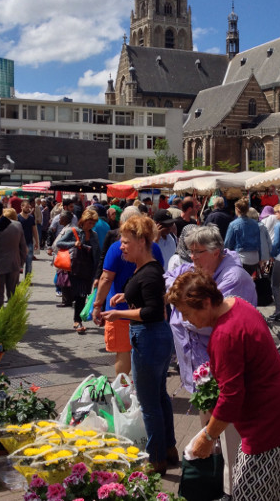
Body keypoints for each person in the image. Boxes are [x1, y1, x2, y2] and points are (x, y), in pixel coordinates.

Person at [167, 270, 280, 501]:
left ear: (206, 302)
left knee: (249, 495)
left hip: (269, 424)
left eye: (187, 312)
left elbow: (231, 397)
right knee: (260, 492)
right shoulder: (237, 303)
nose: (185, 320)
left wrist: (208, 437)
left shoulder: (224, 335)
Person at [165, 225, 257, 501]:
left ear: (217, 252)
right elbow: (171, 279)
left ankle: (232, 488)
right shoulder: (199, 271)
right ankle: (220, 481)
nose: (192, 258)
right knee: (212, 428)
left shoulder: (234, 277)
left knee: (226, 431)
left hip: (221, 369)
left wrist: (181, 314)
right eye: (190, 252)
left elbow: (208, 320)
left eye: (198, 252)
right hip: (201, 367)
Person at [101, 215, 176, 475]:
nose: (121, 247)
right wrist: (127, 297)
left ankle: (155, 460)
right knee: (159, 396)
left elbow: (153, 311)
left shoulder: (151, 271)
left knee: (149, 403)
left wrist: (120, 313)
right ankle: (168, 450)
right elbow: (146, 299)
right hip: (153, 337)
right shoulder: (145, 268)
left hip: (149, 337)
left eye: (125, 242)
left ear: (141, 242)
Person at [92, 207, 164, 376]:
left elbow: (106, 278)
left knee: (123, 354)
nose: (123, 245)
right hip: (136, 312)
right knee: (142, 356)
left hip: (122, 312)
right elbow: (160, 282)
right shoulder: (155, 249)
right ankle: (131, 391)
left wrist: (98, 304)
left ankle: (124, 392)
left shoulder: (116, 248)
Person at [56, 209, 100, 334]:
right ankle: (77, 320)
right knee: (79, 295)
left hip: (89, 269)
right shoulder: (74, 231)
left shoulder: (94, 235)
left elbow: (97, 253)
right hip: (75, 268)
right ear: (83, 220)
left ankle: (77, 320)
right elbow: (59, 243)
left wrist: (98, 271)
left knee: (83, 295)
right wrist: (73, 244)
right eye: (89, 222)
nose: (91, 225)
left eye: (93, 223)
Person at [0, 208, 27, 315]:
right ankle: (13, 316)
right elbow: (23, 247)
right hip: (14, 263)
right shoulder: (18, 226)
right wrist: (21, 262)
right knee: (13, 292)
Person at [224, 198, 261, 275]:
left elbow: (227, 244)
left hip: (242, 258)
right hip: (255, 258)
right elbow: (259, 242)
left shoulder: (233, 224)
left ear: (237, 209)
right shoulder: (255, 223)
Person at [17, 200, 39, 276]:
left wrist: (36, 242)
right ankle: (16, 279)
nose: (28, 208)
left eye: (28, 207)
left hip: (29, 242)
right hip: (19, 243)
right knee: (19, 262)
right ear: (21, 207)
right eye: (26, 207)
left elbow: (34, 230)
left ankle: (27, 280)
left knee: (29, 262)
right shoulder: (17, 217)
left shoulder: (31, 218)